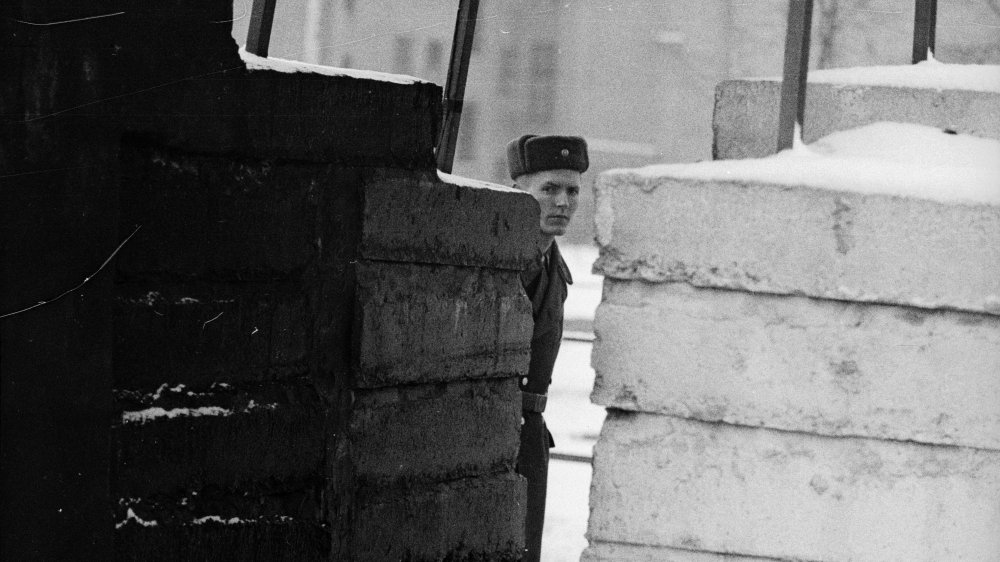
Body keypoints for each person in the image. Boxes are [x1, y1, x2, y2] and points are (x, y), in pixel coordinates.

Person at [506, 134, 588, 562]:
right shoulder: (497, 259)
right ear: (519, 190)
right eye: (549, 189)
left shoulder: (555, 266)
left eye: (572, 190)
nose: (563, 203)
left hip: (531, 433)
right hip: (492, 429)